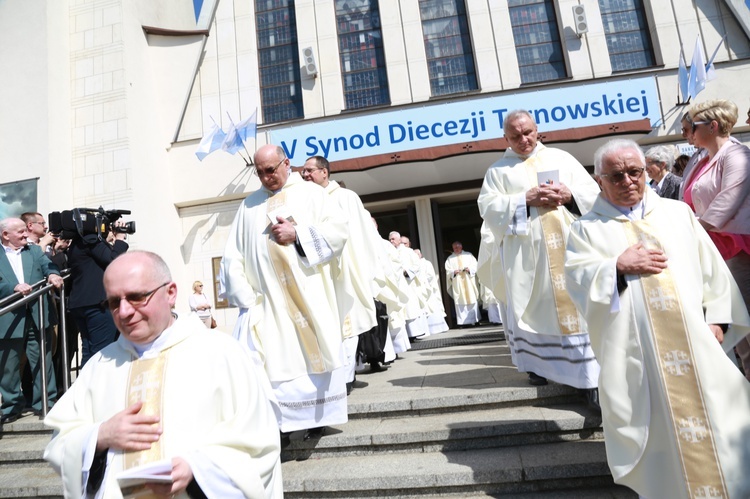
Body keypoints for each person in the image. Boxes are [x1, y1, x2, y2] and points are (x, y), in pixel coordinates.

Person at [564, 138, 750, 498]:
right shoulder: (586, 229)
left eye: (635, 172)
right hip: (638, 353)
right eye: (616, 175)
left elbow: (714, 273)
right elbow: (576, 280)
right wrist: (616, 265)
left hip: (697, 343)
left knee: (723, 417)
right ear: (599, 180)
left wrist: (719, 321)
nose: (628, 181)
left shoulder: (677, 213)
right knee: (657, 428)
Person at [44, 251, 283, 497]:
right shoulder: (99, 365)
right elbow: (60, 444)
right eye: (114, 302)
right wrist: (101, 435)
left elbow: (259, 441)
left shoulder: (222, 353)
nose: (124, 312)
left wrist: (197, 469)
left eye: (137, 297)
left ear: (170, 293)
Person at [221, 144, 349, 440]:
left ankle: (319, 418)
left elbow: (339, 232)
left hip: (309, 295)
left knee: (312, 357)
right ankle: (279, 427)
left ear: (286, 163)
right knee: (273, 364)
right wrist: (245, 299)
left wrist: (298, 235)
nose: (266, 178)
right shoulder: (249, 205)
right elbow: (233, 255)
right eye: (260, 173)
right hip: (267, 304)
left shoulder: (312, 193)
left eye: (271, 170)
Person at [477, 109, 601, 403]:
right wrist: (523, 199)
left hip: (570, 248)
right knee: (536, 306)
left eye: (528, 132)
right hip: (528, 257)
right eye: (516, 135)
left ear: (537, 130)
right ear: (505, 138)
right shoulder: (498, 171)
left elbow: (594, 192)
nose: (524, 139)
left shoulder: (562, 158)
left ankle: (591, 381)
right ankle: (540, 365)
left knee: (578, 305)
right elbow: (488, 209)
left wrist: (569, 195)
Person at [301, 155, 382, 388]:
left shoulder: (346, 197)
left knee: (348, 323)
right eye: (303, 172)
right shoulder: (304, 198)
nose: (305, 175)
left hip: (343, 269)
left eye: (309, 171)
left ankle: (345, 379)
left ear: (324, 172)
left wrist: (366, 269)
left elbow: (362, 234)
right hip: (316, 271)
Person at [684, 99, 750, 381]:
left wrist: (690, 231)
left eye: (693, 127)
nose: (689, 133)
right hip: (714, 250)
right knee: (740, 329)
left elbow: (728, 200)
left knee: (744, 320)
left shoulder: (737, 154)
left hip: (737, 248)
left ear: (712, 126)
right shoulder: (701, 160)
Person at [0, 218, 63, 424]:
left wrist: (53, 275)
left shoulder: (34, 251)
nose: (25, 234)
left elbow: (48, 265)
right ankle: (11, 406)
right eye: (20, 232)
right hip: (9, 319)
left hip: (38, 315)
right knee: (8, 367)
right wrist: (13, 289)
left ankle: (46, 402)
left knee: (42, 362)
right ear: (5, 235)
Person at [67, 221, 129, 366]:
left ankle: (87, 386)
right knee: (103, 352)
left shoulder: (78, 243)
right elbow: (113, 260)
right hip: (97, 304)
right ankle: (99, 387)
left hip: (82, 303)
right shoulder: (90, 240)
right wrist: (119, 238)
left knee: (89, 352)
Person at [388, 231, 430, 340]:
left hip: (408, 284)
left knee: (410, 308)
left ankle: (414, 333)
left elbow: (417, 265)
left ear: (399, 240)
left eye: (393, 239)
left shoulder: (408, 251)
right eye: (390, 239)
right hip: (396, 286)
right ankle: (404, 335)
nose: (391, 241)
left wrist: (406, 272)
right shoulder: (388, 251)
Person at [444, 241, 480, 326]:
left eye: (457, 247)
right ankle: (462, 322)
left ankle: (474, 320)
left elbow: (475, 265)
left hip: (469, 281)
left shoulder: (468, 255)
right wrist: (454, 272)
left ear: (461, 247)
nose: (456, 249)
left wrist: (469, 269)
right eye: (454, 248)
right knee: (460, 300)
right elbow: (448, 271)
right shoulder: (450, 258)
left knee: (472, 298)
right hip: (458, 283)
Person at [413, 248, 449, 334]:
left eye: (417, 254)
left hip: (427, 289)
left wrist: (422, 281)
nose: (415, 256)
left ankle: (438, 327)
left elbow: (430, 276)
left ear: (420, 254)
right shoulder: (414, 264)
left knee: (432, 307)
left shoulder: (426, 263)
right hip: (420, 290)